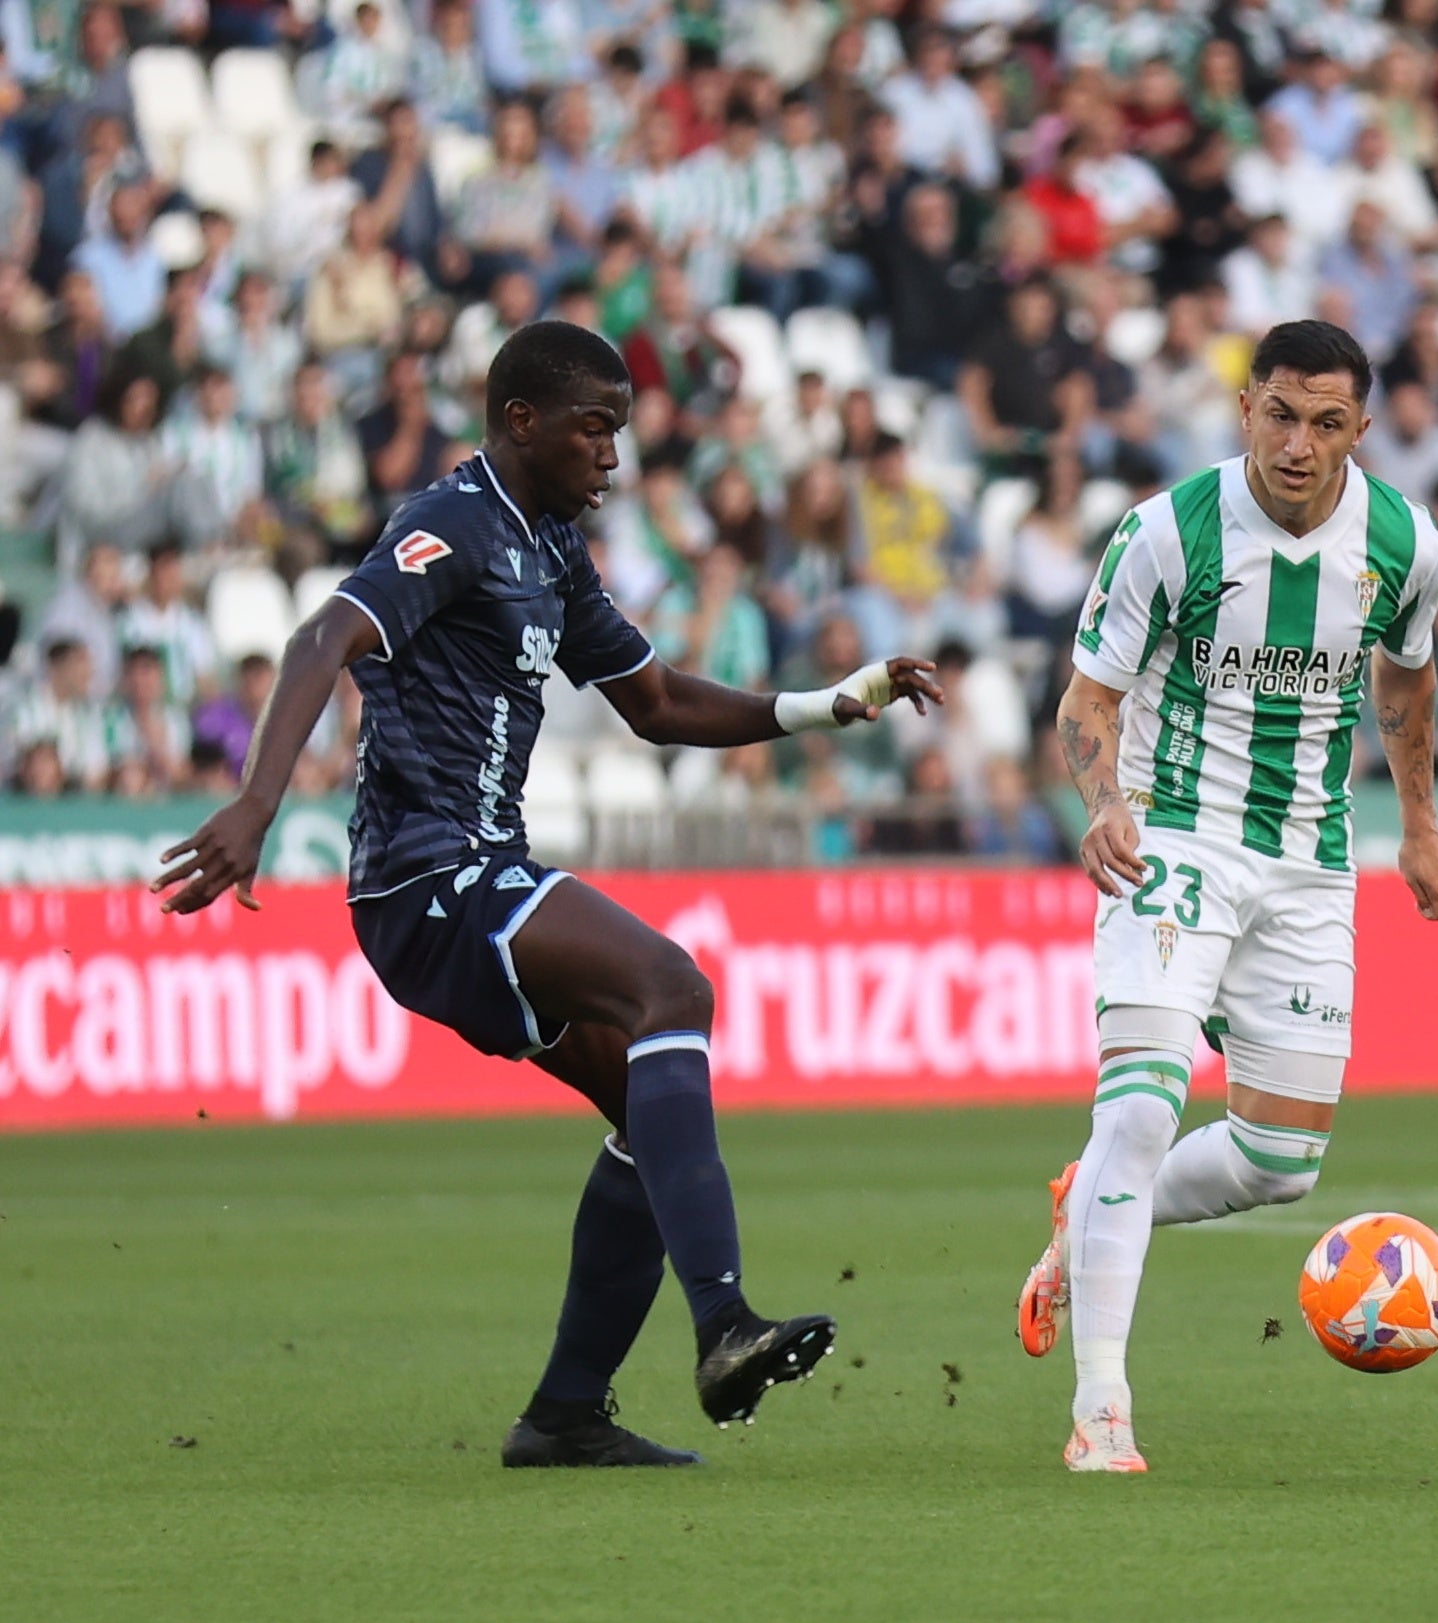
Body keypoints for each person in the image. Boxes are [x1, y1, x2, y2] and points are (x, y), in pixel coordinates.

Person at [151, 323, 943, 1468]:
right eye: (594, 428)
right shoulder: (453, 521)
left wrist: (827, 705)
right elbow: (323, 636)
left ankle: (566, 1414)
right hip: (430, 874)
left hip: (473, 875)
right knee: (673, 986)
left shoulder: (553, 548)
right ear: (522, 422)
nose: (612, 454)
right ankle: (723, 1322)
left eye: (619, 430)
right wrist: (256, 805)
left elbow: (656, 704)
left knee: (646, 1108)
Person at [1014, 319, 1438, 1474]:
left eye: (1325, 423)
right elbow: (1086, 701)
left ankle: (1085, 1210)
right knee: (1142, 1111)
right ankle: (1102, 1409)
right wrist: (1103, 802)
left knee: (1279, 1162)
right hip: (1171, 838)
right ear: (1245, 409)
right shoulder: (1168, 532)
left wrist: (1419, 824)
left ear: (1361, 429)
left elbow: (1406, 677)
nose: (1298, 445)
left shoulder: (1405, 544)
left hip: (1308, 859)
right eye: (1279, 415)